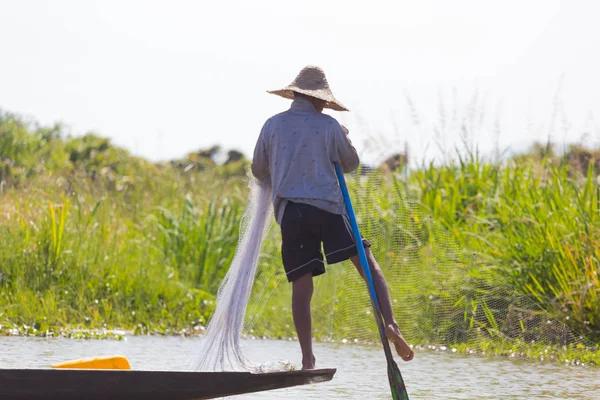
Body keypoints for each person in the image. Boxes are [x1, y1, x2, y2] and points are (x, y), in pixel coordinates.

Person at [251, 65, 414, 370]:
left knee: (302, 286)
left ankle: (307, 358)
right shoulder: (329, 126)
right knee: (368, 265)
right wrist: (341, 138)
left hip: (292, 213)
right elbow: (350, 164)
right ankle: (391, 324)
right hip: (329, 208)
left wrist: (285, 159)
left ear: (295, 95)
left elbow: (258, 170)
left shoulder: (272, 125)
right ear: (319, 100)